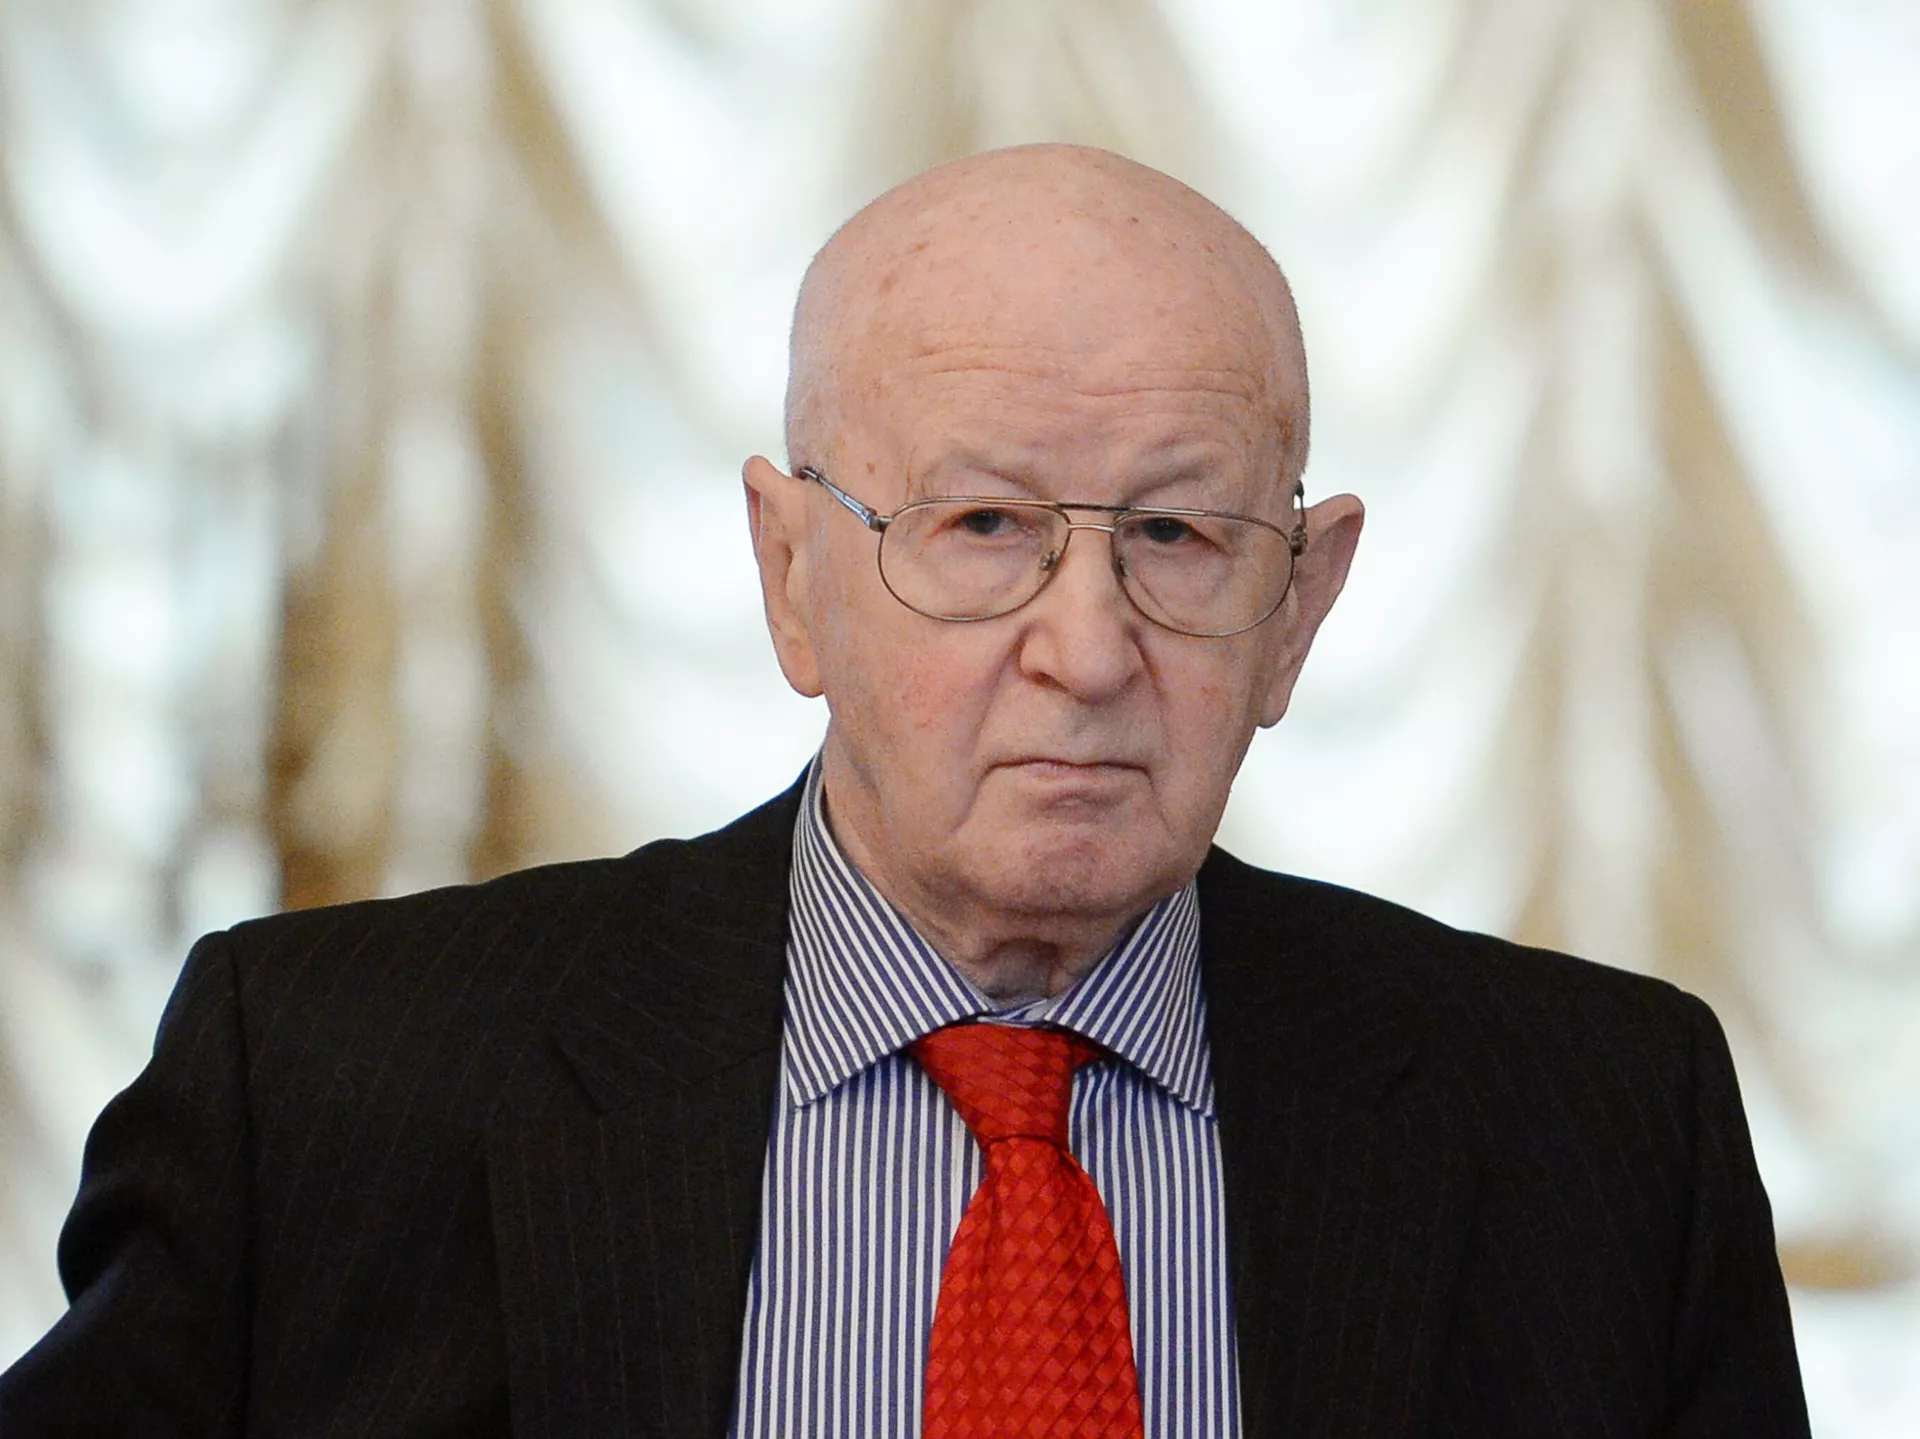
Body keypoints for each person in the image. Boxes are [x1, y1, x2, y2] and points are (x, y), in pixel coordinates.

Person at [0, 144, 1807, 1438]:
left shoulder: (1600, 1133)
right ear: (793, 575)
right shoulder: (322, 1086)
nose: (1086, 648)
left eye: (1178, 536)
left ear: (1299, 608)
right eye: (985, 526)